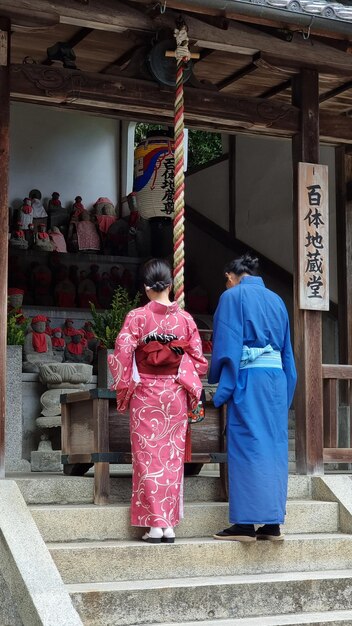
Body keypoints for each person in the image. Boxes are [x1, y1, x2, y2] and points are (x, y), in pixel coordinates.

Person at [108, 259, 208, 544]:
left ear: (146, 288)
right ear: (170, 286)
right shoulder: (186, 319)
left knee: (148, 457)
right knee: (171, 459)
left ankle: (155, 526)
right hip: (174, 394)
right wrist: (180, 368)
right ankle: (169, 526)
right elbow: (199, 362)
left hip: (146, 396)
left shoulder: (137, 317)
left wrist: (126, 385)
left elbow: (122, 355)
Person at [209, 253, 297, 542]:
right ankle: (272, 524)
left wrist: (221, 389)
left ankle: (245, 524)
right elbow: (286, 353)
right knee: (273, 448)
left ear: (232, 276)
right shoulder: (277, 301)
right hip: (275, 382)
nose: (226, 284)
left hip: (249, 379)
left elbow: (227, 345)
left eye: (226, 280)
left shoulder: (232, 298)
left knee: (246, 445)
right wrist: (287, 391)